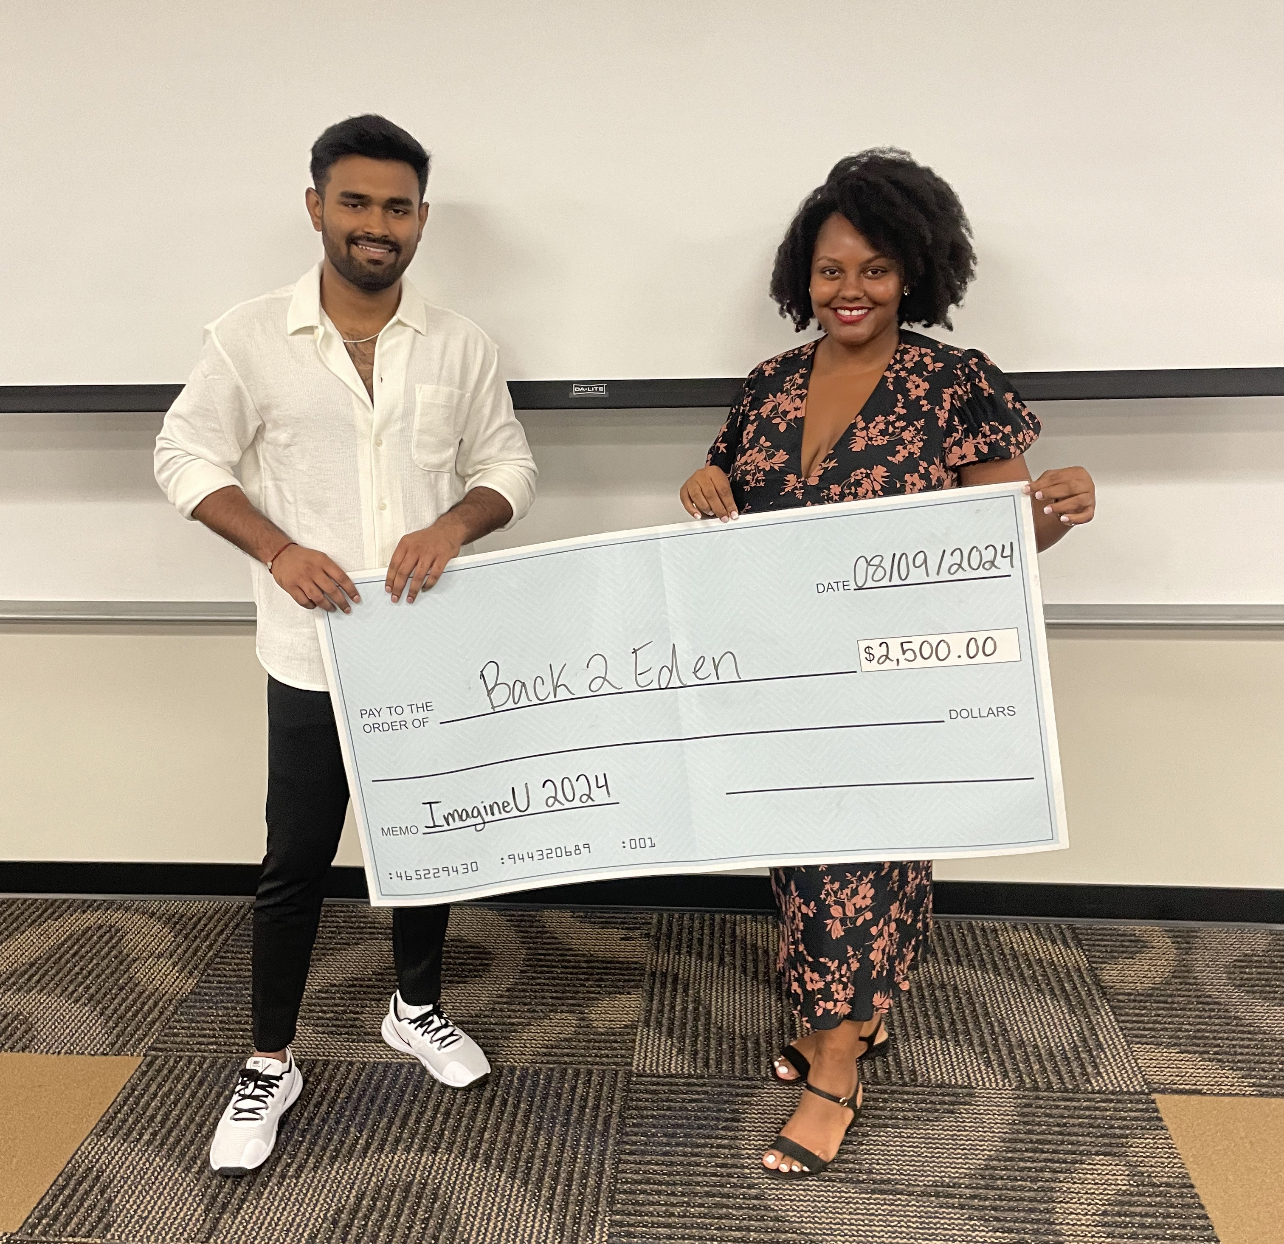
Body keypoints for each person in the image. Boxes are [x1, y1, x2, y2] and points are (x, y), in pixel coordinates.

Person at [679, 148, 1096, 1179]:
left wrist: (1057, 509)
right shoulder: (768, 385)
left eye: (872, 268)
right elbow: (727, 491)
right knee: (805, 863)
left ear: (913, 271)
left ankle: (833, 1069)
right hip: (782, 673)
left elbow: (1005, 532)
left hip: (898, 681)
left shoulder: (955, 384)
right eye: (830, 270)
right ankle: (852, 1015)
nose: (849, 290)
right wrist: (701, 477)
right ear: (801, 278)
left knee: (853, 868)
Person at [154, 115, 537, 1176]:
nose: (378, 225)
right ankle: (270, 1058)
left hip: (426, 651)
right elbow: (182, 454)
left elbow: (510, 462)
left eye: (398, 206)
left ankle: (415, 1006)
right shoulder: (245, 336)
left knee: (428, 842)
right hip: (310, 658)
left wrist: (455, 522)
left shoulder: (460, 343)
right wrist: (276, 547)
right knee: (295, 862)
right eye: (357, 202)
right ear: (317, 204)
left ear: (422, 218)